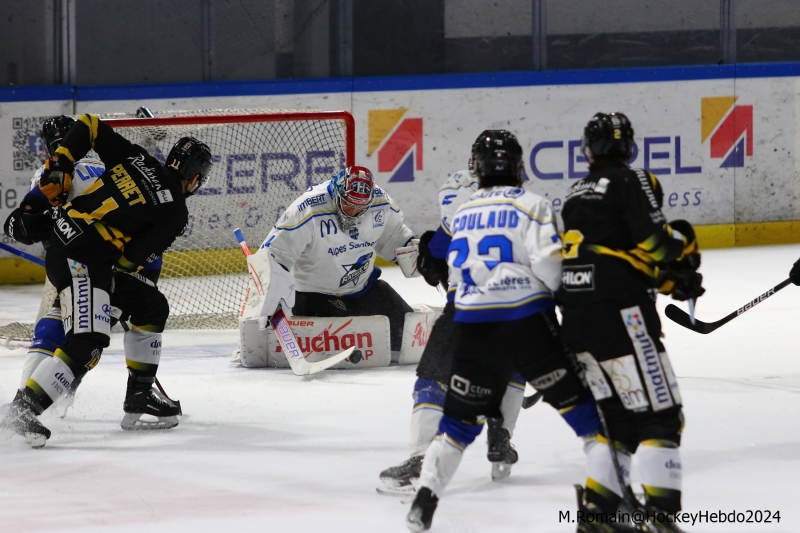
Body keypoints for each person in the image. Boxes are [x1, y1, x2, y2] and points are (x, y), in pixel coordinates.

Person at [406, 130, 601, 532]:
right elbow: (550, 268)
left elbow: (454, 276)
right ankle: (610, 502)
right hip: (526, 322)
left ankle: (424, 501)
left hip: (473, 322)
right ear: (517, 165)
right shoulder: (534, 205)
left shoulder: (463, 210)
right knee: (584, 414)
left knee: (457, 425)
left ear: (476, 168)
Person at [0, 113, 213, 447]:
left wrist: (62, 161)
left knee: (151, 304)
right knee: (88, 341)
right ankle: (22, 409)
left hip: (72, 247)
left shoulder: (138, 158)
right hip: (81, 261)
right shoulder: (176, 212)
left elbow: (89, 123)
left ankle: (139, 398)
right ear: (195, 178)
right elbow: (130, 261)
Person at [558, 112, 703, 532]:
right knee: (661, 417)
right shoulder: (632, 179)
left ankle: (598, 517)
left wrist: (668, 278)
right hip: (621, 316)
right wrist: (685, 259)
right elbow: (655, 244)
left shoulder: (574, 192)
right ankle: (659, 520)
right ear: (629, 148)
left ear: (587, 150)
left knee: (617, 422)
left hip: (578, 317)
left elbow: (613, 253)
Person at [379, 167, 527, 494]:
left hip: (466, 306)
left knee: (433, 377)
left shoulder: (457, 189)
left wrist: (431, 258)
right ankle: (501, 435)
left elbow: (438, 250)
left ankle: (420, 460)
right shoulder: (531, 207)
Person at [5, 115, 161, 418]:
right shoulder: (110, 166)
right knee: (81, 335)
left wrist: (52, 222)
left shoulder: (52, 171)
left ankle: (27, 405)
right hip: (125, 266)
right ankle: (51, 402)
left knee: (73, 336)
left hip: (98, 266)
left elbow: (19, 226)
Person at [258, 165, 415, 353]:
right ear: (338, 193)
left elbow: (394, 236)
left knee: (408, 332)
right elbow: (276, 252)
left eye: (360, 207)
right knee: (350, 338)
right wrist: (272, 293)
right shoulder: (309, 207)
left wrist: (415, 254)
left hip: (362, 290)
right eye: (349, 204)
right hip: (314, 296)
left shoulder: (380, 202)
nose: (353, 211)